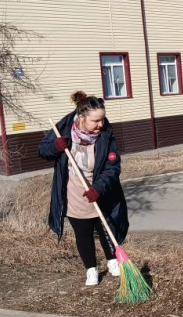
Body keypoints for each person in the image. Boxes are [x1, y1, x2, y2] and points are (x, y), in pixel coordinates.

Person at [38, 91, 129, 286]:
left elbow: (113, 168)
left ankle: (112, 260)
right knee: (83, 232)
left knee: (105, 227)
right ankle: (91, 269)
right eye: (95, 121)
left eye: (102, 119)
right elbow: (42, 151)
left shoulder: (106, 135)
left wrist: (98, 188)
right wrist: (55, 147)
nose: (100, 125)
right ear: (81, 118)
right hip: (74, 193)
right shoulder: (62, 129)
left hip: (100, 192)